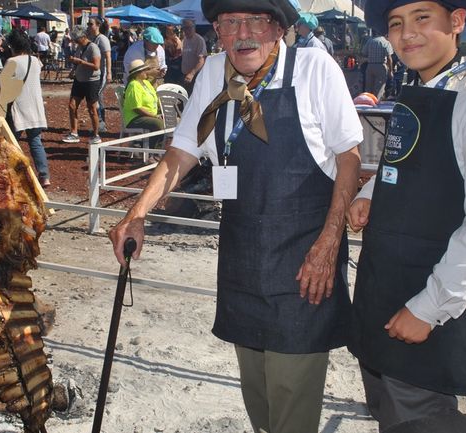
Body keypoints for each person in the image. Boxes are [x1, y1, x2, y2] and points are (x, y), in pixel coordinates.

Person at [108, 0, 363, 431]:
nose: (242, 33)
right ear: (218, 31)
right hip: (244, 261)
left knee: (291, 403)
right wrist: (136, 214)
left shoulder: (316, 70)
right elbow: (181, 152)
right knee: (258, 398)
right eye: (229, 23)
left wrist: (330, 242)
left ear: (278, 29)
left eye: (255, 22)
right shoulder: (212, 74)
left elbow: (350, 158)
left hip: (305, 263)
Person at [348, 1, 466, 432]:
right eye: (396, 24)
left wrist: (429, 308)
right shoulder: (420, 88)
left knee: (421, 419)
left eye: (422, 18)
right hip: (385, 291)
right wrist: (372, 192)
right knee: (390, 413)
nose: (407, 34)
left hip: (426, 298)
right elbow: (408, 162)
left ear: (457, 22)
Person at [4, 30, 51, 188]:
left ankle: (12, 173)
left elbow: (3, 82)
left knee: (11, 141)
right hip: (35, 106)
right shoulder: (35, 60)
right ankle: (44, 176)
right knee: (35, 142)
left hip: (19, 106)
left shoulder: (12, 62)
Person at [62, 27, 102, 145]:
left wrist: (80, 62)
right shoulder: (80, 47)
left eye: (76, 39)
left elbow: (96, 66)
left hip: (91, 81)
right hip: (79, 80)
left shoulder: (93, 48)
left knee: (92, 108)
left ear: (83, 37)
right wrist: (73, 69)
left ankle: (96, 134)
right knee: (72, 105)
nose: (75, 42)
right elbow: (78, 61)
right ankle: (74, 133)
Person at [123, 59, 165, 150]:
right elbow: (136, 108)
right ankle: (152, 151)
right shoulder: (133, 85)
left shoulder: (146, 83)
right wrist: (154, 116)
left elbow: (155, 99)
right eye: (145, 70)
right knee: (158, 124)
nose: (147, 72)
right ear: (138, 73)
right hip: (135, 118)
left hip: (147, 116)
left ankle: (157, 150)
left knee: (169, 121)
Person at [88, 18, 112, 134]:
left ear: (98, 25)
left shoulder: (102, 39)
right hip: (96, 73)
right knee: (97, 97)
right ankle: (99, 123)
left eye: (90, 24)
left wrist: (109, 73)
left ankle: (101, 123)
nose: (88, 26)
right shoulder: (93, 38)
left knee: (96, 96)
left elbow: (108, 56)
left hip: (102, 72)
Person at [362, 33, 394, 99]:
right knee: (379, 88)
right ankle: (377, 102)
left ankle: (367, 102)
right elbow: (389, 58)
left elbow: (364, 53)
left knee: (369, 87)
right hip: (381, 66)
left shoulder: (370, 41)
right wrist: (390, 70)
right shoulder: (386, 42)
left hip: (370, 65)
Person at [180, 19, 207, 93]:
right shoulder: (185, 40)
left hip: (194, 76)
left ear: (194, 27)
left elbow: (201, 60)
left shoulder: (199, 40)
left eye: (189, 27)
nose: (186, 30)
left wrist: (192, 74)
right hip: (185, 75)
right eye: (184, 28)